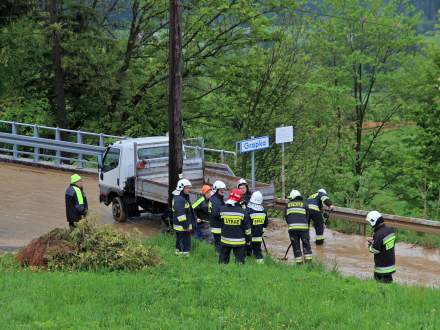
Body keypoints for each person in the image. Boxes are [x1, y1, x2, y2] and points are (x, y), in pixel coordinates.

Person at [219, 188, 252, 264]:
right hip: (239, 242)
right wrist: (248, 240)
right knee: (240, 263)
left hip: (225, 240)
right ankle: (239, 274)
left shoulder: (222, 210)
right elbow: (247, 230)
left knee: (222, 262)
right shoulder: (243, 212)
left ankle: (221, 273)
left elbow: (221, 224)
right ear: (240, 199)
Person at [366, 211, 396, 283]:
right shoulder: (390, 230)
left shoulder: (378, 234)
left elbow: (374, 250)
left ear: (374, 221)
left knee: (379, 284)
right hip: (390, 264)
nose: (370, 224)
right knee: (388, 283)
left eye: (370, 222)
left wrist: (370, 244)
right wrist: (375, 241)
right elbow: (384, 244)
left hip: (382, 267)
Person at [285, 189, 312, 264]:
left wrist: (291, 225)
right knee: (306, 244)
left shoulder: (288, 205)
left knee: (296, 246)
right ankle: (309, 263)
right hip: (304, 229)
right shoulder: (305, 204)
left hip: (292, 229)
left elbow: (287, 217)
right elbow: (307, 217)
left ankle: (299, 263)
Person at [172, 178, 196, 256]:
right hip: (182, 227)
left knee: (180, 241)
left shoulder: (181, 198)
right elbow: (180, 214)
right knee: (184, 242)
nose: (189, 189)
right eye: (187, 188)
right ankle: (184, 257)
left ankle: (178, 254)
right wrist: (185, 225)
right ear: (181, 188)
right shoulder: (180, 199)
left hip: (181, 226)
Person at [246, 191, 268, 263]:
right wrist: (261, 232)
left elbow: (246, 224)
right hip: (258, 236)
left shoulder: (248, 210)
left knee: (247, 251)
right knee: (258, 251)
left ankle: (247, 264)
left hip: (249, 236)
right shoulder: (263, 211)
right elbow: (265, 224)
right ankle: (261, 265)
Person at [209, 180, 226, 255]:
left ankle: (218, 255)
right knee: (219, 243)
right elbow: (216, 214)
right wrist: (226, 215)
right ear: (216, 190)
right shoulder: (216, 200)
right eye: (221, 189)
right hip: (217, 226)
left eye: (223, 189)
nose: (223, 191)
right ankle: (220, 257)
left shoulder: (217, 198)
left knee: (218, 243)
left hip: (216, 225)